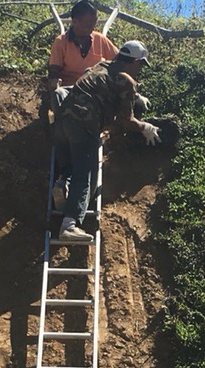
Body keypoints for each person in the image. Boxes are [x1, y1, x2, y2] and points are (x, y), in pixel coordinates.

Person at [53, 40, 160, 241]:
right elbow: (125, 120)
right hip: (85, 125)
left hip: (63, 122)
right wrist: (145, 127)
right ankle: (70, 224)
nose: (140, 70)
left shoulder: (99, 66)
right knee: (86, 176)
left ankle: (63, 185)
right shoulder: (126, 80)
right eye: (140, 65)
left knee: (73, 167)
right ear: (134, 62)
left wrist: (135, 95)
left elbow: (105, 85)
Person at [44, 0, 118, 95]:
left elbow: (119, 60)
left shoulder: (100, 39)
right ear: (75, 22)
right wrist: (54, 83)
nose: (92, 28)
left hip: (95, 89)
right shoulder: (61, 42)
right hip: (70, 91)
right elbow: (54, 72)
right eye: (88, 25)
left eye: (94, 24)